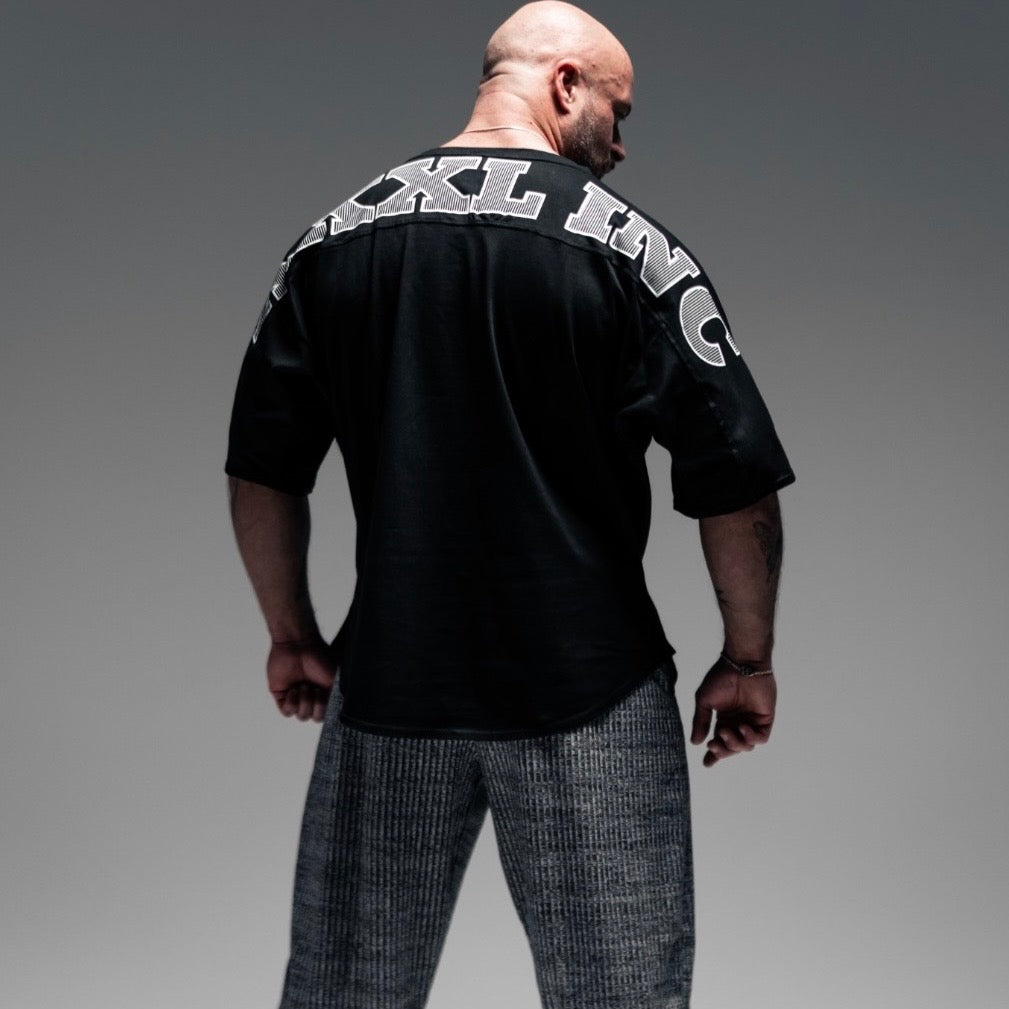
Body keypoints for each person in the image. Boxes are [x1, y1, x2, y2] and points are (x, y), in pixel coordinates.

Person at [224, 3, 794, 1007]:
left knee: (345, 994)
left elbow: (262, 466)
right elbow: (733, 477)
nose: (620, 143)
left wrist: (291, 633)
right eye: (617, 111)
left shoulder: (332, 241)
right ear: (564, 83)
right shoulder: (632, 250)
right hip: (589, 689)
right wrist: (746, 658)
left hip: (390, 682)